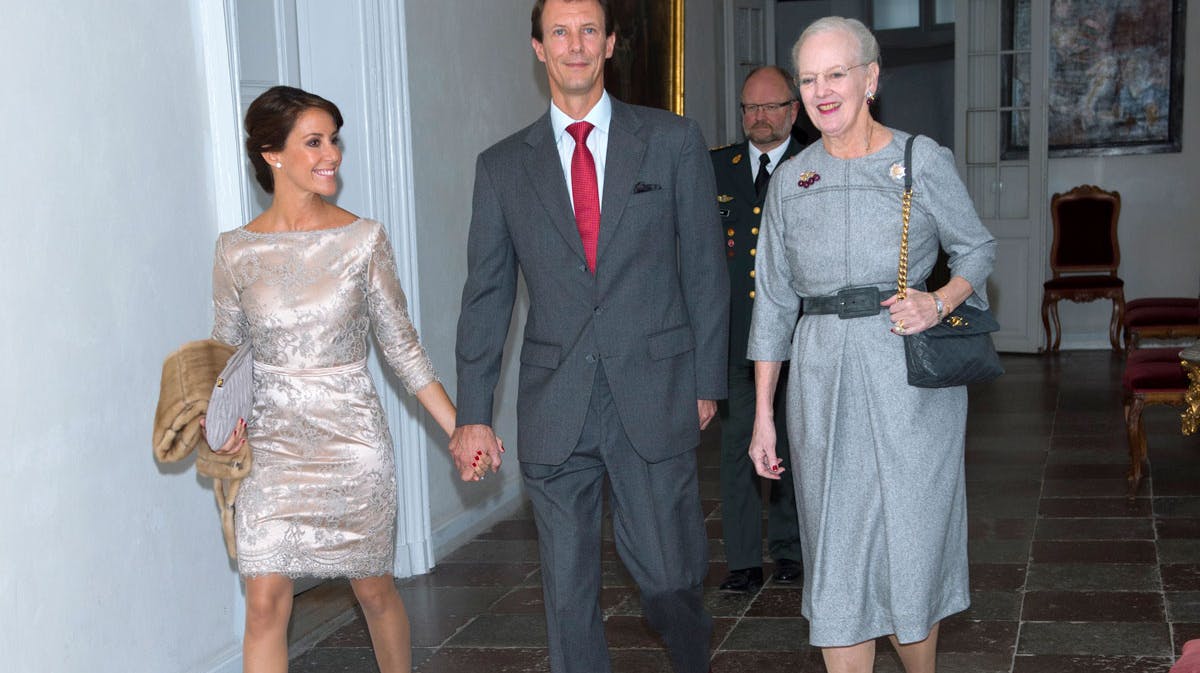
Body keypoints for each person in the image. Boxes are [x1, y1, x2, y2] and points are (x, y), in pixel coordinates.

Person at [450, 1, 729, 672]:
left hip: (657, 387)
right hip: (557, 401)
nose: (575, 44)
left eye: (588, 30)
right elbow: (486, 297)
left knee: (669, 577)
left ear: (608, 43)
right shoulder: (501, 168)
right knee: (567, 595)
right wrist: (472, 414)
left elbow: (704, 267)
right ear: (539, 49)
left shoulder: (672, 140)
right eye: (559, 32)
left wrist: (706, 379)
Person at [745, 17, 996, 673]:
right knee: (839, 546)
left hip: (909, 377)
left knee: (910, 543)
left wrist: (937, 299)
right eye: (809, 79)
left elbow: (978, 248)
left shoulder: (920, 159)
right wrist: (765, 415)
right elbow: (772, 299)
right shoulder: (792, 181)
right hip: (821, 380)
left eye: (836, 74)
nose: (823, 92)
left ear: (871, 78)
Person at [208, 85, 485, 673]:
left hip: (352, 443)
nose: (330, 152)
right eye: (313, 142)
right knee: (263, 604)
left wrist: (461, 431)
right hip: (271, 448)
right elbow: (226, 355)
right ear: (271, 154)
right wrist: (222, 425)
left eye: (333, 139)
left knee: (374, 590)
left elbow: (402, 349)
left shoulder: (363, 239)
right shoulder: (235, 252)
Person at [710, 65, 804, 594]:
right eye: (750, 107)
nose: (759, 117)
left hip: (796, 337)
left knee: (792, 444)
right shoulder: (715, 169)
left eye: (771, 107)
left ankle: (791, 550)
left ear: (793, 110)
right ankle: (743, 560)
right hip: (735, 340)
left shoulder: (813, 165)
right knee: (737, 448)